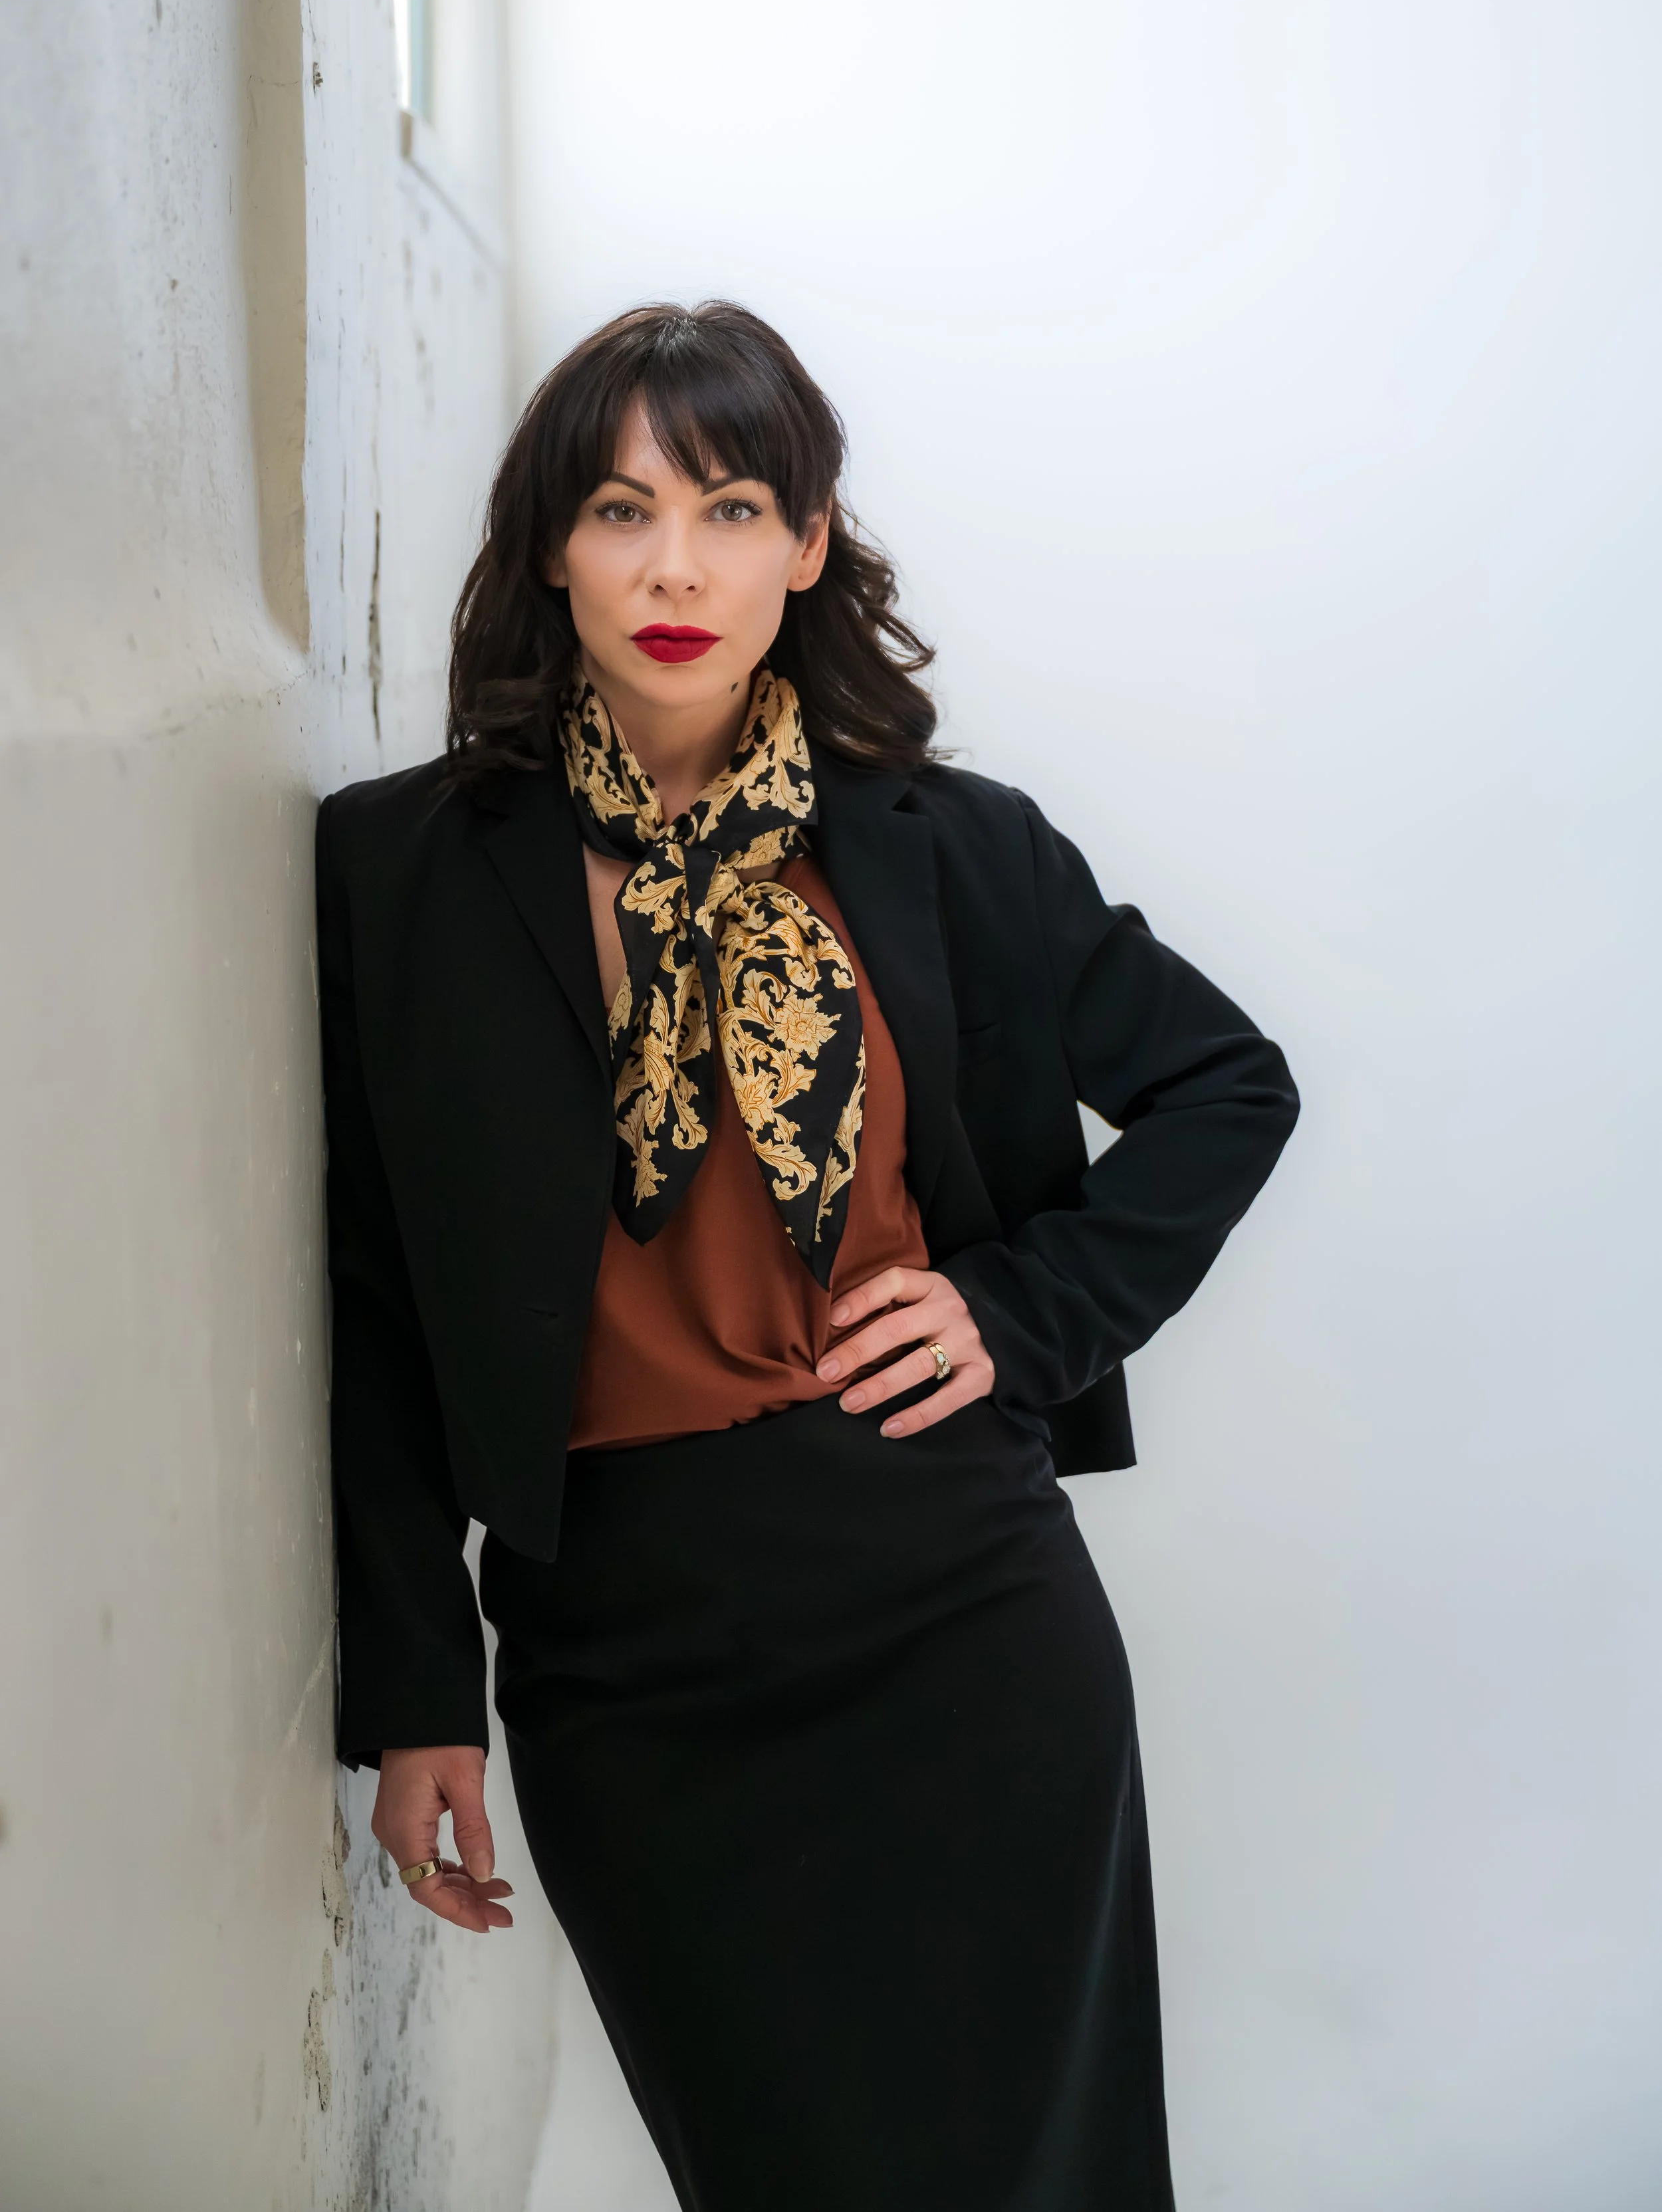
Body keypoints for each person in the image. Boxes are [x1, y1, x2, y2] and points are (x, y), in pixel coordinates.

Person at [316, 300, 1299, 2211]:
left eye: (732, 507)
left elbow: (1225, 1085)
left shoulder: (947, 847)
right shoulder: (403, 872)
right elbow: (372, 1299)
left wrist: (1016, 1312)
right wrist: (421, 1687)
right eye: (620, 510)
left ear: (809, 541)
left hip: (953, 1608)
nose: (674, 568)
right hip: (627, 1653)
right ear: (548, 547)